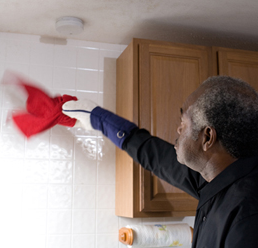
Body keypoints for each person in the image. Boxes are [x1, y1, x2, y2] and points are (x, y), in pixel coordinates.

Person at [62, 76, 258, 248]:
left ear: (207, 137)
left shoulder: (247, 218)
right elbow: (160, 159)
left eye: (183, 123)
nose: (178, 131)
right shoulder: (219, 180)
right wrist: (100, 120)